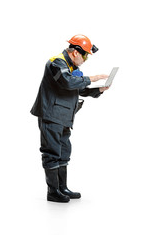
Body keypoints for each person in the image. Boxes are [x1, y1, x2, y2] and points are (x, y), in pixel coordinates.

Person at [30, 34, 110, 203]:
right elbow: (67, 83)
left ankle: (62, 188)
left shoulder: (69, 66)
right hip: (51, 115)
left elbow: (76, 89)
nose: (86, 59)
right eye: (86, 55)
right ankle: (53, 192)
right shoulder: (56, 63)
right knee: (52, 152)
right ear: (75, 52)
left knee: (64, 151)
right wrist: (92, 78)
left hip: (64, 117)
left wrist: (99, 90)